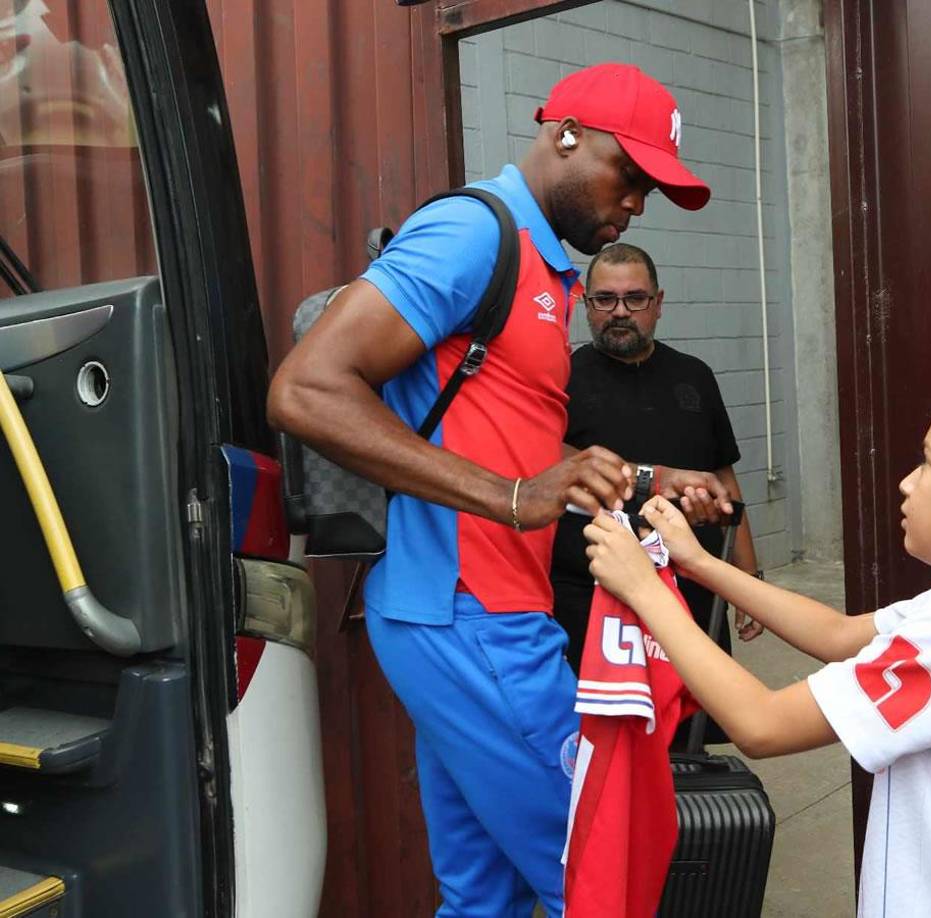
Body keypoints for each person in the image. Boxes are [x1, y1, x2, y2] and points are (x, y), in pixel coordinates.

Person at [267, 63, 731, 918]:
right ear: (563, 135)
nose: (636, 203)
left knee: (488, 898)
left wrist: (639, 477)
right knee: (603, 882)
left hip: (464, 614)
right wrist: (516, 496)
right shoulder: (475, 235)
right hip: (474, 618)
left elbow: (509, 436)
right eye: (627, 174)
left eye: (652, 189)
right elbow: (306, 390)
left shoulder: (546, 269)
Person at [584, 366, 931, 916]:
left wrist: (641, 590)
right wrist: (698, 562)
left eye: (928, 461)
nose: (907, 482)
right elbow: (839, 634)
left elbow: (762, 723)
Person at [550, 242, 763, 746]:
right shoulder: (561, 380)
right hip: (591, 600)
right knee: (604, 741)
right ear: (585, 305)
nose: (620, 311)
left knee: (691, 738)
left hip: (689, 591)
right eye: (605, 299)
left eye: (635, 298)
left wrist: (748, 579)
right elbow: (548, 464)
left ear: (659, 303)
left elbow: (724, 478)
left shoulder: (695, 376)